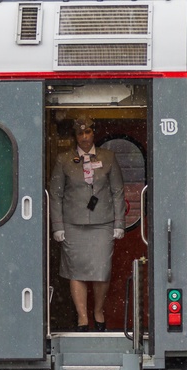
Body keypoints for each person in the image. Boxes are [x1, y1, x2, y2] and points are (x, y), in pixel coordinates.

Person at [49, 116, 125, 331]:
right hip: (73, 224)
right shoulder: (64, 159)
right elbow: (55, 194)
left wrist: (119, 223)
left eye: (88, 132)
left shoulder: (108, 157)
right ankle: (82, 317)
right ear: (75, 136)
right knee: (77, 271)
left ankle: (98, 311)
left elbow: (118, 191)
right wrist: (58, 226)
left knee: (102, 270)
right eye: (80, 133)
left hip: (103, 223)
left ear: (94, 134)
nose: (84, 137)